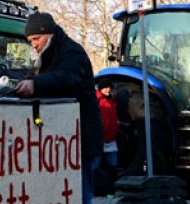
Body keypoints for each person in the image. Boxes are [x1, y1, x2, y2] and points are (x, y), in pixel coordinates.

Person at [14, 12, 103, 204]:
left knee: (79, 192)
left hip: (81, 137)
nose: (34, 45)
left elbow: (65, 77)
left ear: (50, 34)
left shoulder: (72, 52)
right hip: (61, 137)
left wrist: (34, 84)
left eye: (36, 39)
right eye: (30, 41)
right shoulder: (46, 55)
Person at [97, 81, 120, 190]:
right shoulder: (97, 100)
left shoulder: (112, 101)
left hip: (111, 141)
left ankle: (111, 193)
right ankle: (96, 192)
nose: (108, 89)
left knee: (113, 168)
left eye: (109, 87)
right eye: (105, 87)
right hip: (100, 140)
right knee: (97, 167)